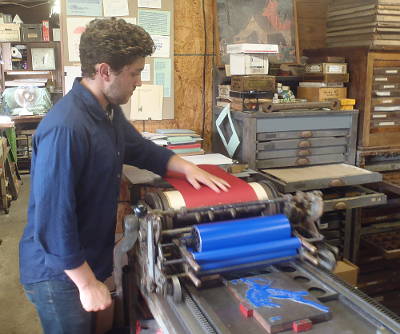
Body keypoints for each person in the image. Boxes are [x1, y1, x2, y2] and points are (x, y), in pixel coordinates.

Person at [19, 18, 229, 334]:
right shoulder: (66, 129)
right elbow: (52, 220)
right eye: (134, 73)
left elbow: (139, 149)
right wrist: (87, 283)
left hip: (88, 258)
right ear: (105, 71)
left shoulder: (107, 111)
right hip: (58, 274)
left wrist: (188, 168)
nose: (139, 82)